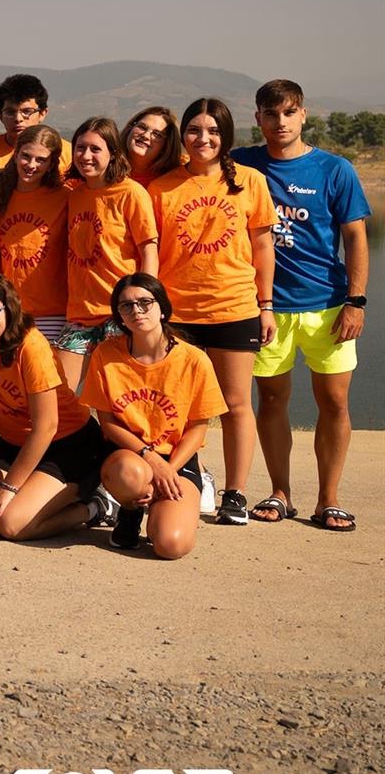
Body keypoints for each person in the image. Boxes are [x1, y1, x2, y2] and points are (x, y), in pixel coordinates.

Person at [237, 79, 370, 532]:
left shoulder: (334, 170)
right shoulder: (242, 164)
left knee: (333, 402)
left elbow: (355, 238)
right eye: (270, 114)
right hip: (265, 307)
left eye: (288, 113)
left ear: (304, 115)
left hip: (327, 305)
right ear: (258, 118)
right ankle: (280, 492)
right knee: (272, 399)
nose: (280, 122)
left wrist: (356, 301)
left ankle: (328, 499)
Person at [148, 98, 277, 527]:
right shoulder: (162, 186)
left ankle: (235, 493)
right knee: (182, 409)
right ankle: (192, 478)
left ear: (226, 136)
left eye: (213, 131)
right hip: (178, 313)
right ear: (182, 134)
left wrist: (266, 306)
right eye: (194, 130)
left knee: (236, 404)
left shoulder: (249, 181)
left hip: (234, 307)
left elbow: (262, 247)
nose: (203, 139)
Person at [0, 271, 110, 543]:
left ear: (8, 309)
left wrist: (9, 487)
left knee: (11, 524)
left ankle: (94, 508)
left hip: (68, 445)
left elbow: (46, 427)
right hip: (15, 445)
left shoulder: (30, 346)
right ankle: (35, 498)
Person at [83, 275, 227, 559]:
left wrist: (168, 470)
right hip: (129, 457)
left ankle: (169, 506)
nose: (136, 311)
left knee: (170, 545)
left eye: (145, 302)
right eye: (126, 306)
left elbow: (199, 427)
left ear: (162, 308)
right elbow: (108, 422)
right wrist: (150, 459)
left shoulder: (193, 359)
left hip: (177, 461)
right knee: (130, 473)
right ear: (120, 317)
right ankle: (130, 511)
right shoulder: (106, 354)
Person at [58, 117, 158, 388]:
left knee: (119, 400)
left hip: (119, 316)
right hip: (79, 315)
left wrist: (145, 300)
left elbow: (149, 249)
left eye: (95, 149)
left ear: (112, 153)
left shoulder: (130, 193)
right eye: (80, 148)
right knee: (62, 396)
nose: (85, 156)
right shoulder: (75, 195)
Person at [0, 125, 71, 344]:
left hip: (52, 312)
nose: (31, 165)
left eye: (41, 160)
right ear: (15, 154)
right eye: (26, 156)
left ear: (52, 163)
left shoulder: (65, 197)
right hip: (6, 308)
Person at [0, 74, 52, 171]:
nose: (18, 118)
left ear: (42, 113)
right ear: (0, 116)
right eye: (10, 112)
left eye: (27, 111)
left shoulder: (65, 154)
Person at [123, 107, 183, 185]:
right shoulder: (105, 171)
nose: (145, 136)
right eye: (142, 127)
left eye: (157, 134)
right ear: (130, 128)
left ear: (166, 145)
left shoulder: (174, 181)